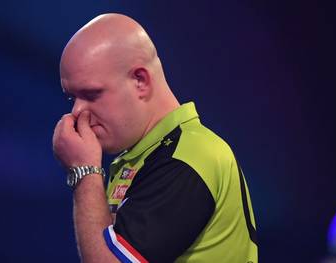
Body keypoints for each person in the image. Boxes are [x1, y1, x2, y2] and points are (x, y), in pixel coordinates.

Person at [53, 13, 257, 263]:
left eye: (92, 94)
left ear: (140, 81)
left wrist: (84, 171)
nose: (76, 113)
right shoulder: (147, 155)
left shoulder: (189, 157)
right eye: (73, 98)